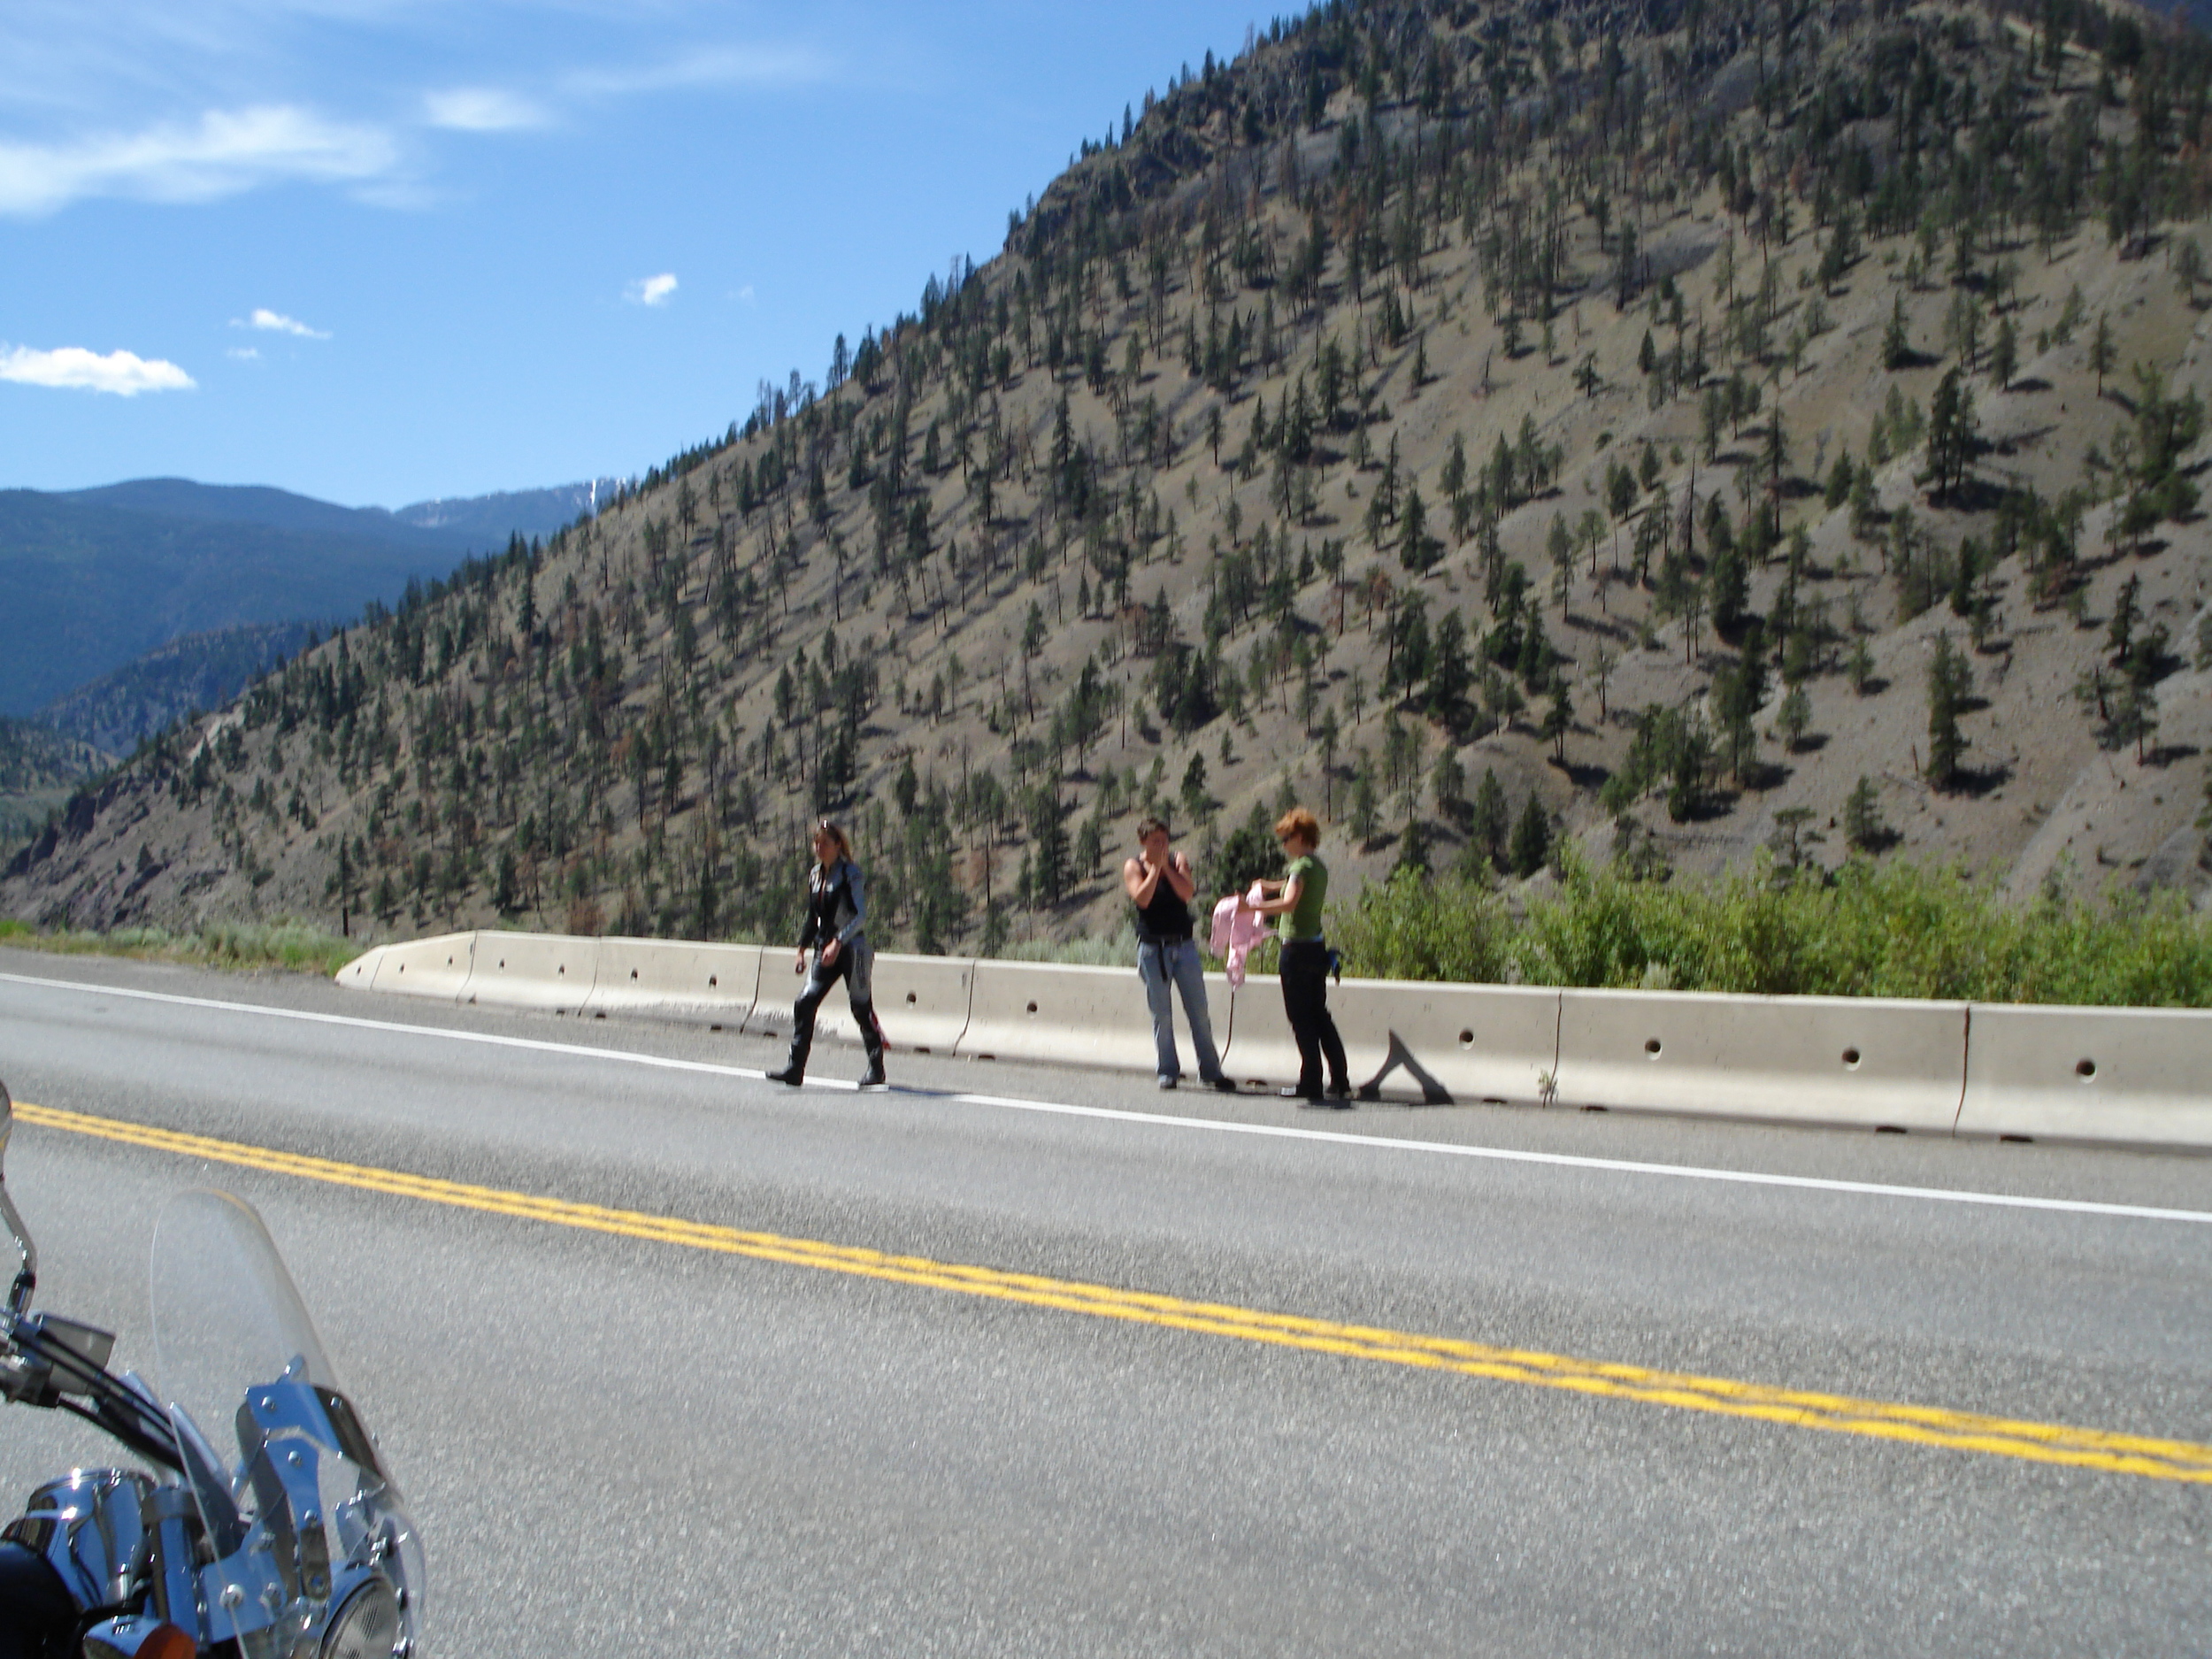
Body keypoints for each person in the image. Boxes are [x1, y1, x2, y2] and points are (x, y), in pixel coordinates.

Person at [1241, 807, 1350, 1105]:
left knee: (1301, 1019)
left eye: (1286, 838)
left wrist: (1251, 909)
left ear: (1299, 837)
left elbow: (1289, 902)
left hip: (1296, 951)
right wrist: (1269, 885)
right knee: (1320, 1016)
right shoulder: (1316, 866)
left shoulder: (1300, 867)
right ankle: (1340, 1080)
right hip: (1316, 949)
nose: (1283, 844)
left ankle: (1310, 1082)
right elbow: (1292, 886)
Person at [767, 819, 887, 1087]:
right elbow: (813, 916)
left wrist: (839, 942)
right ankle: (795, 1068)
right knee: (804, 1002)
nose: (818, 848)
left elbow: (860, 916)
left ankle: (876, 1069)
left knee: (860, 1008)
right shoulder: (815, 876)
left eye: (824, 843)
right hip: (825, 951)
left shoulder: (850, 874)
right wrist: (801, 949)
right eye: (815, 843)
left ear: (837, 845)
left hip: (852, 950)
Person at [1123, 816, 1235, 1093]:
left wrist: (1167, 870)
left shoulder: (1178, 860)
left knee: (1199, 1011)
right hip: (1153, 950)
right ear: (1143, 842)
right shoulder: (1133, 866)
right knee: (1162, 1014)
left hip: (1183, 947)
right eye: (1155, 841)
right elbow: (1142, 898)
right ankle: (1168, 1071)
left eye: (1164, 840)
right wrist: (1154, 871)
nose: (1161, 845)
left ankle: (1210, 1070)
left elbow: (1186, 893)